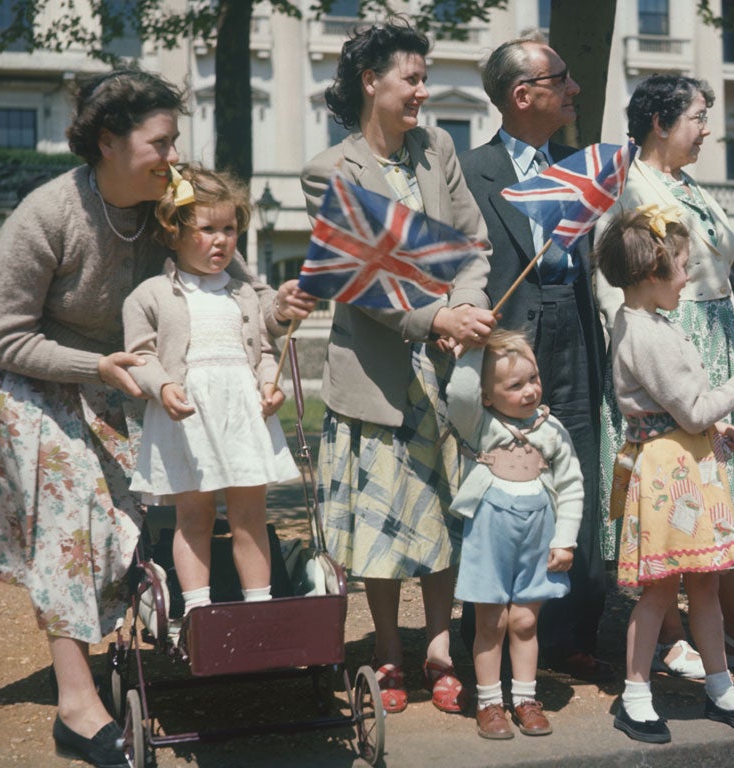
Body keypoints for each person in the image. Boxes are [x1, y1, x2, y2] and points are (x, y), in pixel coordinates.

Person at [0, 68, 313, 768]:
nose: (175, 155)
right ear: (108, 141)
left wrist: (279, 312)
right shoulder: (48, 213)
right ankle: (76, 706)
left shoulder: (170, 206)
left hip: (116, 371)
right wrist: (102, 369)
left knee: (124, 512)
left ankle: (151, 631)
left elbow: (245, 292)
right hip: (17, 373)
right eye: (162, 141)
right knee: (75, 510)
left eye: (176, 140)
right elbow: (8, 338)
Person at [300, 20, 495, 716]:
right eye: (411, 78)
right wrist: (433, 319)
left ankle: (439, 647)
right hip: (376, 376)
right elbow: (357, 278)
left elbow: (472, 243)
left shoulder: (438, 147)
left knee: (444, 517)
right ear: (369, 82)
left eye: (423, 77)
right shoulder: (329, 170)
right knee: (382, 525)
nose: (422, 90)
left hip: (449, 377)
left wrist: (466, 309)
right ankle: (387, 647)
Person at [595, 73, 734, 672]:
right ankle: (673, 631)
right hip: (671, 340)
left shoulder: (686, 183)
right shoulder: (629, 186)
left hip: (717, 333)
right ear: (659, 124)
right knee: (682, 486)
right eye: (697, 117)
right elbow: (611, 277)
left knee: (723, 484)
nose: (706, 129)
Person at [460, 31, 610, 682]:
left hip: (575, 330)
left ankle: (575, 631)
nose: (575, 89)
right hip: (511, 348)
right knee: (509, 480)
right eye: (562, 79)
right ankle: (494, 645)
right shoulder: (470, 174)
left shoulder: (580, 170)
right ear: (524, 95)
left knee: (578, 467)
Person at [596, 207, 734, 743]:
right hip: (668, 473)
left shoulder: (649, 322)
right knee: (659, 592)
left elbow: (684, 408)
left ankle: (719, 687)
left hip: (685, 463)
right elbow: (691, 409)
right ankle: (635, 696)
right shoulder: (645, 334)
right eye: (681, 266)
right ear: (651, 275)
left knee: (704, 583)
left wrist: (717, 430)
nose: (688, 276)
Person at [123, 165, 300, 615]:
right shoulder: (150, 295)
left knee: (249, 517)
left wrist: (268, 385)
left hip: (240, 415)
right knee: (194, 518)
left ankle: (260, 607)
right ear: (174, 233)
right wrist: (161, 386)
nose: (220, 240)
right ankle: (198, 611)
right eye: (206, 229)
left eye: (229, 229)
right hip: (186, 418)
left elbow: (262, 350)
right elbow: (141, 355)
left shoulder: (242, 294)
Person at [447, 329, 583, 740]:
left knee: (524, 621)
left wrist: (565, 539)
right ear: (488, 396)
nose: (529, 391)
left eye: (533, 379)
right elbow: (460, 392)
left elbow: (572, 484)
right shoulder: (478, 422)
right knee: (492, 620)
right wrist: (472, 350)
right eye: (515, 385)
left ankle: (525, 697)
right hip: (490, 533)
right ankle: (489, 702)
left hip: (538, 534)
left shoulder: (551, 428)